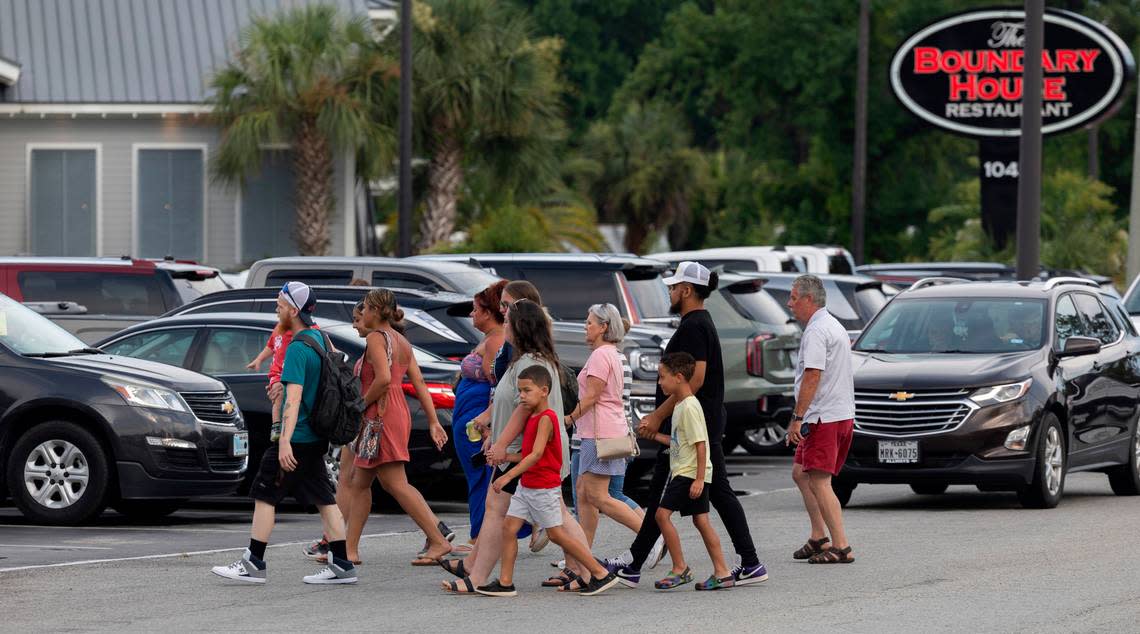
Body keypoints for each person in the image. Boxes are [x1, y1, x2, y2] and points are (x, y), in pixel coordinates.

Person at [609, 261, 767, 588]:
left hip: (695, 425)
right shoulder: (695, 323)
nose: (669, 291)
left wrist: (657, 415)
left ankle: (640, 563)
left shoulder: (695, 326)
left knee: (690, 494)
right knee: (693, 493)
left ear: (687, 290)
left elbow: (695, 379)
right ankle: (637, 562)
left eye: (673, 286)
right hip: (694, 423)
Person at [210, 282, 356, 584]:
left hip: (296, 437)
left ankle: (253, 564)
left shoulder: (298, 348)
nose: (276, 308)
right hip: (315, 436)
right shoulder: (320, 339)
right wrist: (282, 388)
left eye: (280, 303)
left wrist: (284, 440)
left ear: (293, 310)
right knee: (325, 500)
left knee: (265, 495)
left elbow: (294, 397)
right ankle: (342, 565)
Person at [473, 365, 620, 597]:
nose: (521, 396)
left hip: (543, 487)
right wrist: (504, 456)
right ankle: (505, 583)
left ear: (544, 391)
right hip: (527, 485)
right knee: (509, 528)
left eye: (527, 391)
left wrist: (507, 475)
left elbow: (536, 455)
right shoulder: (531, 416)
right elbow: (526, 454)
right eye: (519, 391)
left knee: (556, 535)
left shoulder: (546, 418)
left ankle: (599, 573)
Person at [341, 289, 452, 565]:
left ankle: (438, 540)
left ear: (377, 311)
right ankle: (348, 550)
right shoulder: (401, 340)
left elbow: (382, 379)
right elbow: (419, 383)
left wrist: (360, 405)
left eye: (365, 308)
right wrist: (434, 421)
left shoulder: (378, 338)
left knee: (395, 483)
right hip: (394, 412)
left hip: (380, 415)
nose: (362, 313)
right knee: (360, 482)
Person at [785, 274, 856, 564]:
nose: (790, 305)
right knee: (801, 473)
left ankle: (841, 546)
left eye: (793, 298)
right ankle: (818, 536)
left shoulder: (816, 331)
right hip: (838, 414)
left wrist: (797, 417)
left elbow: (813, 375)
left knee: (820, 481)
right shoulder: (831, 324)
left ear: (808, 299)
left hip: (822, 417)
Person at [649, 352, 733, 591]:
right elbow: (679, 442)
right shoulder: (681, 405)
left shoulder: (688, 407)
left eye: (662, 377)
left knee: (661, 516)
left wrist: (698, 479)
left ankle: (680, 568)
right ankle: (722, 571)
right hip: (688, 471)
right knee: (701, 521)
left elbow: (701, 443)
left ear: (678, 377)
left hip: (689, 473)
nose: (660, 382)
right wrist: (654, 435)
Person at [563, 303, 644, 546]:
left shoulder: (601, 355)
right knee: (586, 494)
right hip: (605, 431)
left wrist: (568, 419)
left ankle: (648, 536)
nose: (585, 327)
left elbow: (592, 397)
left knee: (600, 496)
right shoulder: (612, 354)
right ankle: (582, 553)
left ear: (603, 327)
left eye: (589, 323)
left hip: (599, 434)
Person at [451, 281, 508, 550]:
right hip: (468, 417)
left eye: (475, 309)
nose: (472, 314)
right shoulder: (489, 339)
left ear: (488, 312)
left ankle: (479, 537)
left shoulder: (497, 339)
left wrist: (488, 424)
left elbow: (497, 385)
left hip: (478, 422)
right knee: (479, 478)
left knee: (482, 479)